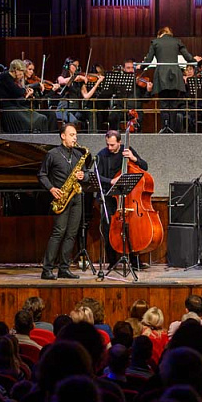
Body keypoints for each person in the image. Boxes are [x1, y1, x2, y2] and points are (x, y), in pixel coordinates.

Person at [38, 124, 88, 280]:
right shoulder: (52, 154)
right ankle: (47, 269)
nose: (75, 138)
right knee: (58, 232)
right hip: (61, 197)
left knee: (71, 234)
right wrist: (52, 189)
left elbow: (86, 175)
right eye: (72, 135)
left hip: (76, 197)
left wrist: (83, 176)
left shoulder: (79, 155)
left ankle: (64, 268)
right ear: (63, 136)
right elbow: (42, 175)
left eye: (75, 135)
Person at [95, 130, 148, 269]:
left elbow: (145, 167)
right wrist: (111, 180)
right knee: (109, 229)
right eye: (108, 144)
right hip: (108, 196)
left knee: (131, 228)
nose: (110, 147)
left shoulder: (127, 151)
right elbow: (96, 175)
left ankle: (135, 262)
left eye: (112, 145)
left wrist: (134, 158)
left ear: (119, 142)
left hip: (128, 197)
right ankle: (112, 262)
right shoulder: (101, 155)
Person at [141, 26, 197, 132]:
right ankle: (173, 129)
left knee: (164, 103)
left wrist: (141, 67)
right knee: (174, 103)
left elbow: (148, 59)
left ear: (160, 34)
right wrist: (195, 61)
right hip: (175, 74)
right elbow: (188, 57)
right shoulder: (177, 41)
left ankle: (165, 128)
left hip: (161, 74)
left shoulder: (156, 42)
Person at [0, 59, 50, 133]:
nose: (22, 75)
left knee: (42, 118)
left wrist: (26, 93)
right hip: (8, 110)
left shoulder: (11, 79)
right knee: (37, 119)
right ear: (16, 70)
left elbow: (17, 94)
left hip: (15, 107)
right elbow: (17, 91)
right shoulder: (5, 77)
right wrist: (26, 92)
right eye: (21, 72)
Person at [56, 58, 104, 129]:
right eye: (74, 65)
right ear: (68, 65)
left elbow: (86, 96)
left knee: (91, 113)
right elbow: (62, 81)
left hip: (75, 109)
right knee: (74, 121)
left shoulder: (80, 81)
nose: (77, 68)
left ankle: (92, 136)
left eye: (78, 66)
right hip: (63, 109)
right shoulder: (61, 78)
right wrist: (76, 77)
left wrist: (97, 83)